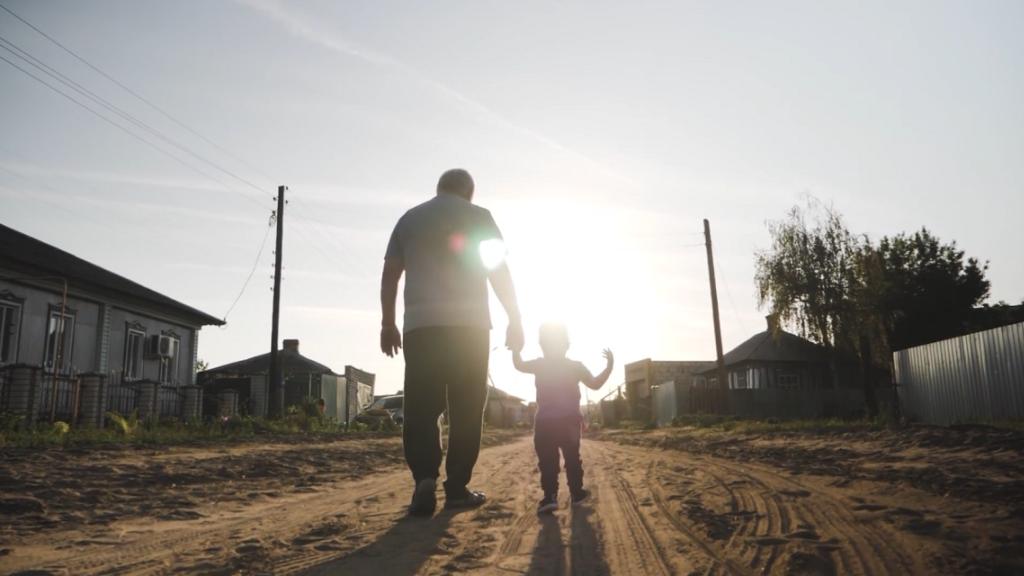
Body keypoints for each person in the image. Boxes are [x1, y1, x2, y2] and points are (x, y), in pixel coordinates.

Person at [380, 168, 524, 517]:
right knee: (467, 409)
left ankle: (424, 481)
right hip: (469, 329)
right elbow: (498, 270)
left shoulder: (410, 219)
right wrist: (515, 318)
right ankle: (457, 487)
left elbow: (390, 274)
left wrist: (387, 323)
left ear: (439, 187)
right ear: (469, 192)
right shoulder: (480, 217)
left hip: (421, 328)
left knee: (421, 408)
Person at [513, 323, 613, 514]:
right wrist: (609, 367)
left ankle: (550, 497)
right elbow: (596, 384)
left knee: (547, 461)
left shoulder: (539, 364)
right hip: (569, 423)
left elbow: (518, 365)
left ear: (542, 344)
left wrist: (516, 349)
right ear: (567, 345)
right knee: (572, 458)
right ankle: (576, 493)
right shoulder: (575, 367)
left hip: (544, 424)